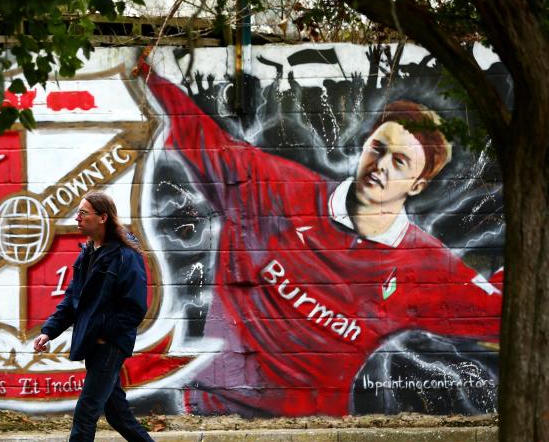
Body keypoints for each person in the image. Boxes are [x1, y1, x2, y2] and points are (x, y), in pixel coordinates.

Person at [136, 56, 503, 418]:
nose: (381, 166)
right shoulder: (272, 187)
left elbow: (500, 312)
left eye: (400, 163)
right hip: (209, 406)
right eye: (379, 148)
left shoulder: (425, 264)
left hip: (317, 425)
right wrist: (142, 70)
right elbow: (198, 134)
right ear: (365, 144)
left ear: (419, 183)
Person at [33, 190, 187, 442]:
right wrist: (49, 331)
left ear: (103, 217)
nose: (78, 218)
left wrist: (105, 334)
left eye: (83, 213)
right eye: (78, 213)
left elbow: (134, 308)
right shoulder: (89, 252)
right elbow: (72, 300)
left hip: (109, 345)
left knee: (86, 412)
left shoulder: (125, 255)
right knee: (117, 415)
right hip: (95, 344)